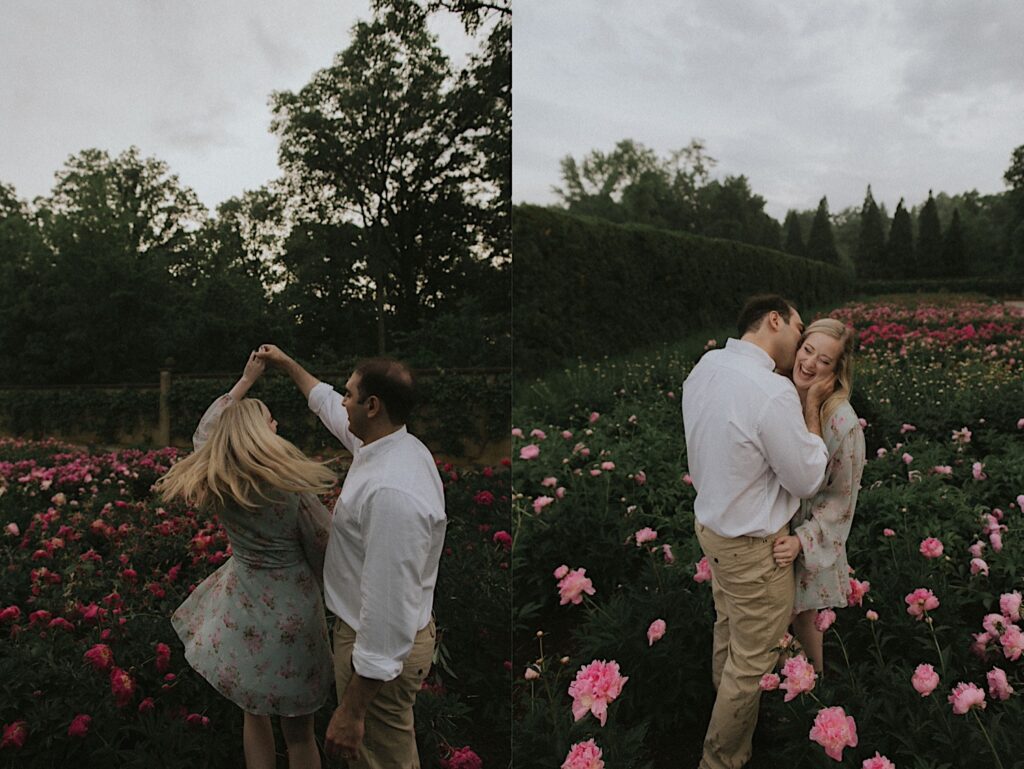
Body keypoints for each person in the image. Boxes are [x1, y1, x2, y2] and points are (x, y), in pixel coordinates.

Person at [254, 345, 447, 769]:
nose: (342, 401)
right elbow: (325, 402)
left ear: (372, 406)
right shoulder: (388, 445)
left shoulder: (392, 491)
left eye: (350, 394)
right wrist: (287, 363)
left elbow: (388, 609)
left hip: (377, 652)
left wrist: (353, 710)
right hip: (375, 640)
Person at [155, 352, 337, 769]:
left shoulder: (222, 481)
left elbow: (206, 435)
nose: (276, 426)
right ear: (260, 431)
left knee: (253, 715)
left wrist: (245, 380)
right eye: (271, 421)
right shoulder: (291, 489)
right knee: (300, 735)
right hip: (293, 610)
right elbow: (324, 548)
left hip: (243, 606)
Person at [682, 295, 834, 769]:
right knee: (751, 663)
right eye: (798, 326)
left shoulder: (706, 366)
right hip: (753, 548)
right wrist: (810, 409)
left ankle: (721, 708)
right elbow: (807, 478)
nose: (802, 342)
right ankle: (720, 758)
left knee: (728, 629)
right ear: (774, 320)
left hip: (713, 530)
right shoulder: (771, 391)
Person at [771, 318, 866, 674]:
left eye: (823, 361)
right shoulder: (776, 395)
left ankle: (816, 688)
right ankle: (780, 694)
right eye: (807, 350)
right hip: (768, 527)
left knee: (805, 616)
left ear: (836, 371)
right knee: (771, 623)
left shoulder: (843, 423)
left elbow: (841, 500)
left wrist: (801, 541)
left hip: (805, 535)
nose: (809, 363)